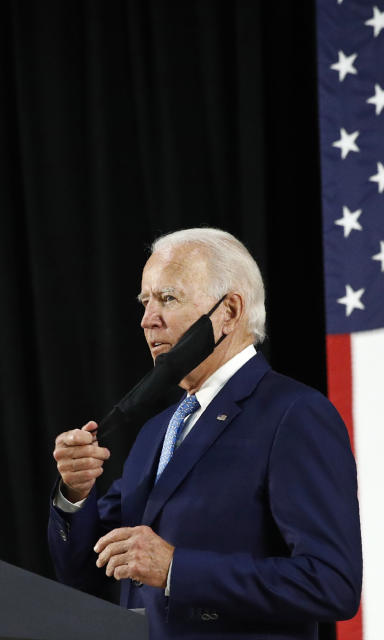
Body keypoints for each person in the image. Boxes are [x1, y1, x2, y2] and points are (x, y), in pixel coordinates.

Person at [48, 228, 361, 640]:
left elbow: (332, 583)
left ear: (228, 311)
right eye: (144, 302)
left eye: (167, 298)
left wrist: (177, 569)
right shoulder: (157, 432)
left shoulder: (293, 414)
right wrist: (75, 493)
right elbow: (84, 572)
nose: (147, 320)